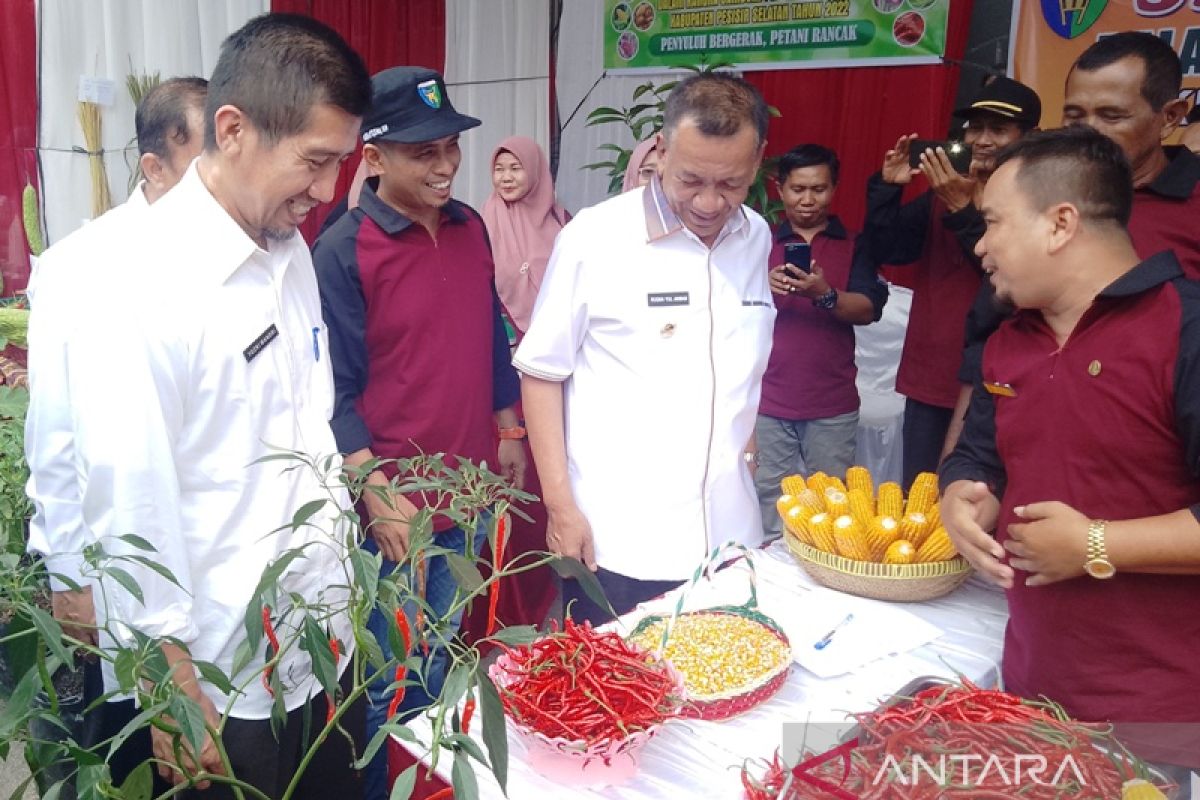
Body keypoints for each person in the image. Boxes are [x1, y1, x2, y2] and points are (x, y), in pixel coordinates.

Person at [59, 14, 371, 797]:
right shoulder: (137, 283)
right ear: (231, 130)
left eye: (341, 163)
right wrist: (170, 686)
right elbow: (130, 499)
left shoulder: (288, 250)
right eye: (314, 162)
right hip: (220, 681)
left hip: (321, 650)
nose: (328, 191)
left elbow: (308, 431)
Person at [941, 124, 1200, 789]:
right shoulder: (1010, 338)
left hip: (1154, 708)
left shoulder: (1185, 330)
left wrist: (1094, 544)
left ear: (1059, 224)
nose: (980, 244)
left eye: (994, 222)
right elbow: (980, 452)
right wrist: (963, 489)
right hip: (1031, 679)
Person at [312, 66, 525, 800]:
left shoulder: (470, 228)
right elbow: (333, 389)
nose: (443, 165)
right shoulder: (342, 250)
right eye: (420, 152)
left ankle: (428, 785)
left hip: (470, 486)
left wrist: (509, 429)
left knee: (443, 656)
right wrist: (375, 493)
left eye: (449, 147)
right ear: (372, 156)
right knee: (391, 673)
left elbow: (490, 334)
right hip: (399, 505)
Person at [515, 72, 775, 623]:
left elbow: (736, 361)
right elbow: (541, 373)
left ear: (757, 164)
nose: (709, 201)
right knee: (621, 702)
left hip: (730, 541)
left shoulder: (754, 238)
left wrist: (745, 447)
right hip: (620, 545)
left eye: (730, 183)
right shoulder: (596, 238)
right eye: (691, 180)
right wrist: (560, 506)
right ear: (659, 149)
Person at [24, 75, 208, 791]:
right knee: (127, 741)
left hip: (198, 561)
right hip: (118, 565)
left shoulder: (229, 258)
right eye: (201, 168)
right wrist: (70, 577)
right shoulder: (85, 265)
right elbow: (55, 433)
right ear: (153, 167)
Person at [947, 32, 1200, 457]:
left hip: (1149, 448)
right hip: (1024, 426)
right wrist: (962, 462)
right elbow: (994, 325)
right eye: (1075, 115)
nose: (1090, 133)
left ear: (1171, 115)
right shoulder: (1041, 190)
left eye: (1112, 115)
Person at [864, 76, 1041, 488]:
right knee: (921, 500)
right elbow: (886, 251)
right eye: (975, 128)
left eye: (998, 129)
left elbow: (1009, 283)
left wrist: (964, 210)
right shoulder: (942, 194)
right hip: (931, 373)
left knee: (980, 499)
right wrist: (887, 190)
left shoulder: (1037, 201)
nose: (981, 140)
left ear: (1029, 136)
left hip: (999, 379)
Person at [755, 144, 887, 537]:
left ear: (834, 189)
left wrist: (823, 294)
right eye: (798, 189)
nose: (808, 200)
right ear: (780, 189)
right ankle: (769, 587)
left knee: (833, 504)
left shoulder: (856, 243)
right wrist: (760, 286)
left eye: (818, 189)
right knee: (767, 498)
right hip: (767, 399)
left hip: (831, 402)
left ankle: (820, 583)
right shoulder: (755, 240)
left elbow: (868, 309)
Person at [482, 135, 569, 335]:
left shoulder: (561, 220)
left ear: (533, 170)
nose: (506, 178)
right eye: (499, 169)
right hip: (503, 333)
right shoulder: (483, 222)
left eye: (515, 168)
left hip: (558, 331)